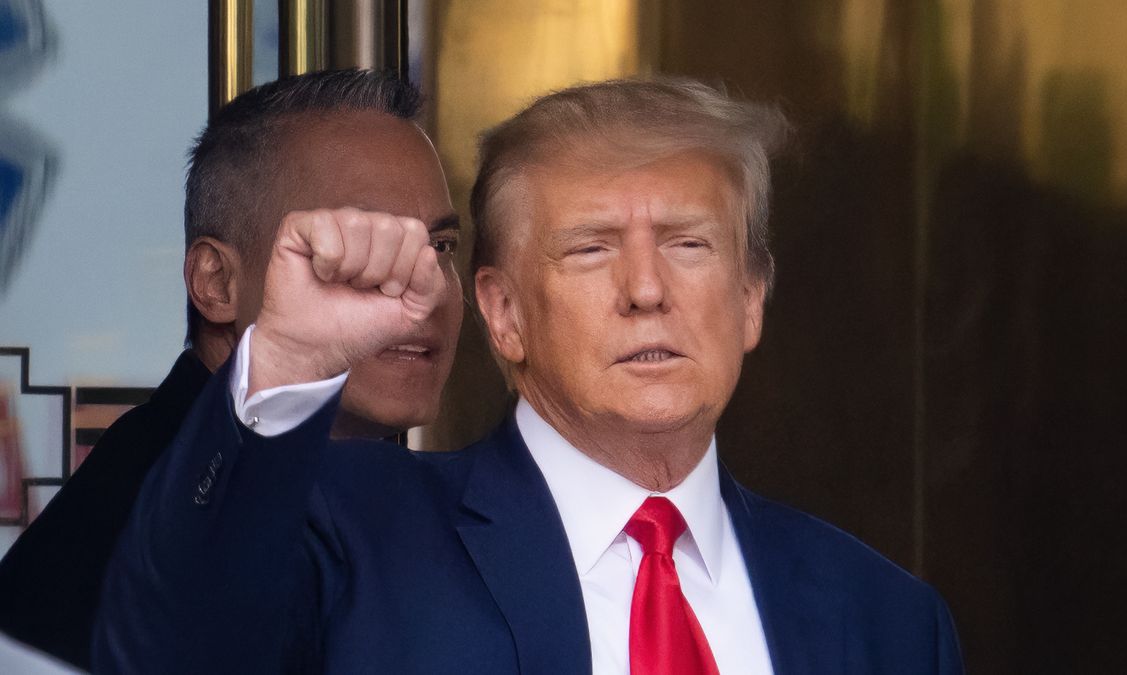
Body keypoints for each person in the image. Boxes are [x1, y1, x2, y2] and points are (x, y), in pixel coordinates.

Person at [96, 78, 964, 673]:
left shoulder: (885, 619)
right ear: (503, 312)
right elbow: (161, 649)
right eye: (590, 249)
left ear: (749, 300)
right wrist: (283, 366)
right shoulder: (353, 531)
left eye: (687, 244)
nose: (647, 289)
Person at [0, 69, 462, 670]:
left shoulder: (394, 500)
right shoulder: (153, 511)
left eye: (442, 247)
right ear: (216, 283)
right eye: (358, 245)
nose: (422, 288)